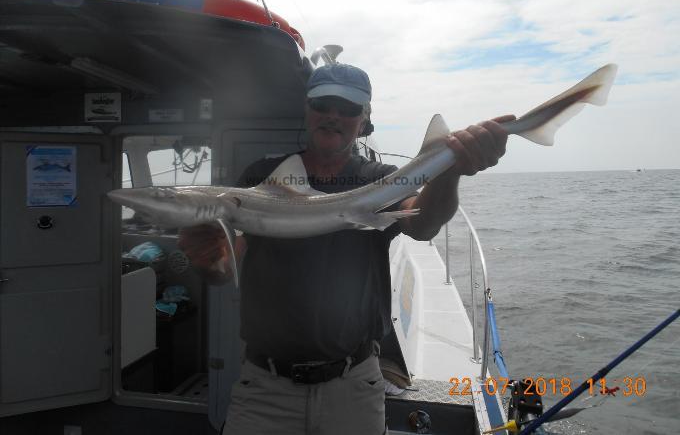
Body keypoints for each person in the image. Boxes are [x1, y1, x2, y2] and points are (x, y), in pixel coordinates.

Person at [178, 63, 514, 435]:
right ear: (306, 108)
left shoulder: (377, 179)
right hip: (263, 388)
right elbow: (225, 268)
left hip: (353, 385)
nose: (334, 115)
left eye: (349, 108)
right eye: (323, 103)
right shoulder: (263, 176)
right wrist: (208, 259)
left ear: (364, 118)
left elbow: (422, 223)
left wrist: (449, 171)